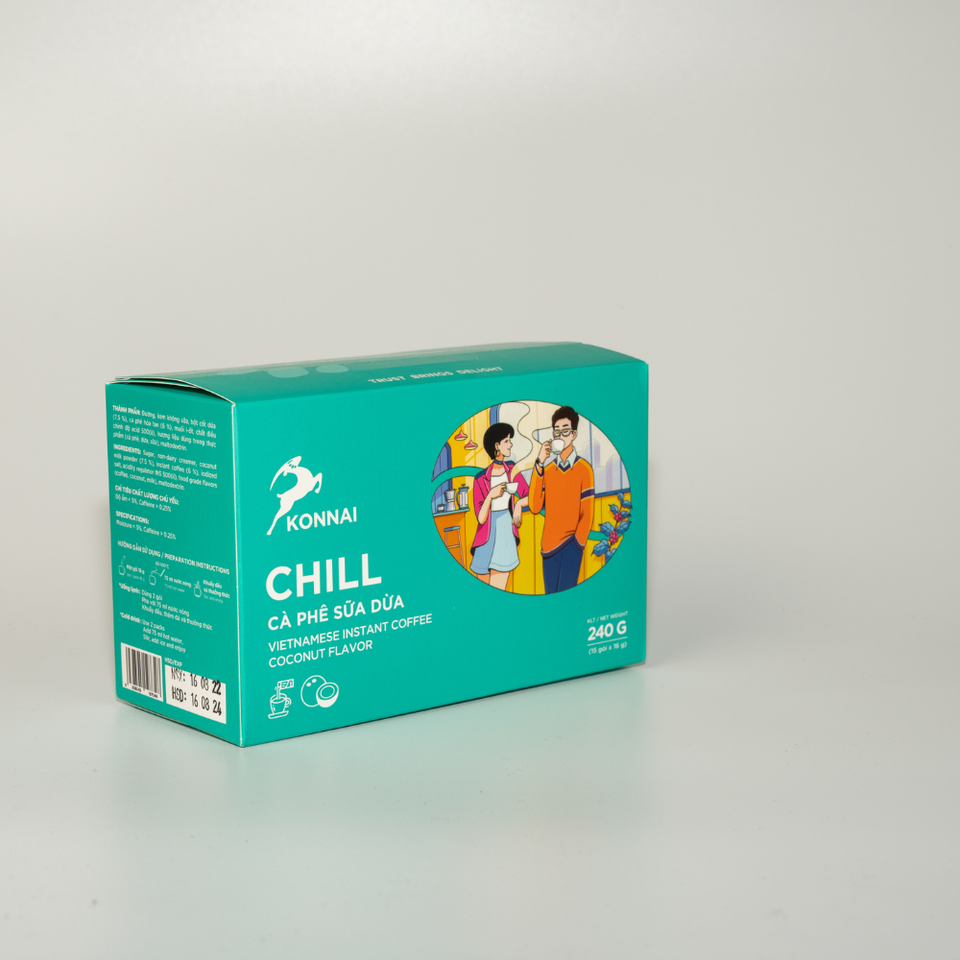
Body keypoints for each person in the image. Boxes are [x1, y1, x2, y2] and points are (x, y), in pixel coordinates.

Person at [528, 405, 595, 593]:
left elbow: (587, 512)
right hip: (548, 548)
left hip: (572, 546)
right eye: (556, 432)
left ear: (574, 434)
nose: (560, 436)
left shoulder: (584, 469)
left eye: (565, 431)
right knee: (551, 597)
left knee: (567, 597)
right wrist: (539, 463)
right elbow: (534, 506)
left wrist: (577, 544)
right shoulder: (547, 470)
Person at [469, 422, 530, 590]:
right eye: (507, 441)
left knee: (498, 590)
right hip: (484, 537)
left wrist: (519, 504)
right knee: (483, 592)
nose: (510, 444)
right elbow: (481, 518)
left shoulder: (512, 469)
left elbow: (529, 496)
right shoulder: (480, 478)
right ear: (497, 446)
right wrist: (490, 495)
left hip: (505, 532)